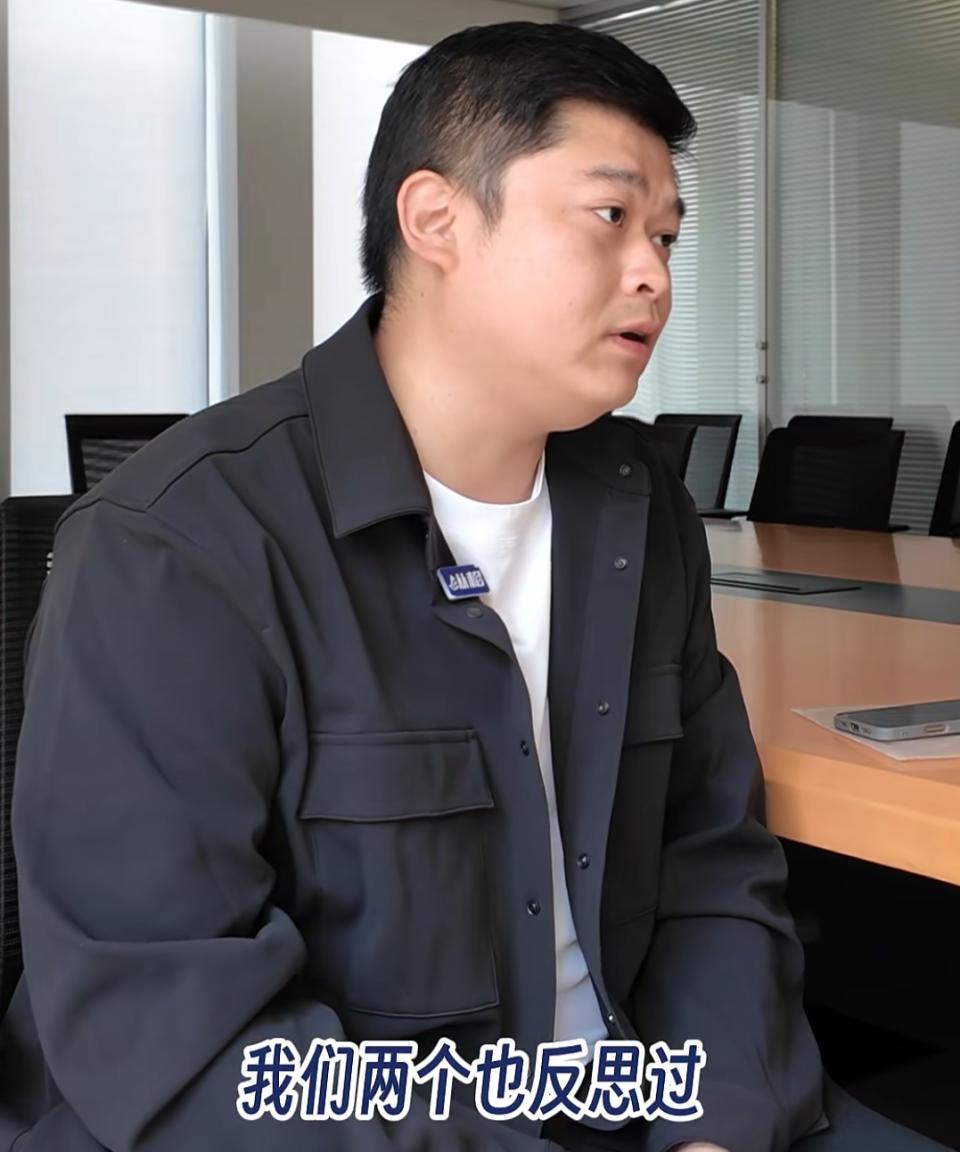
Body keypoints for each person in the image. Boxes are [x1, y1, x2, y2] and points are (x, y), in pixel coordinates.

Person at [0, 19, 947, 1152]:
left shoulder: (641, 503)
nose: (654, 272)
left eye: (666, 234)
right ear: (437, 220)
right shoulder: (177, 543)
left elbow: (711, 866)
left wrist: (715, 1127)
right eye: (610, 217)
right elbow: (175, 1033)